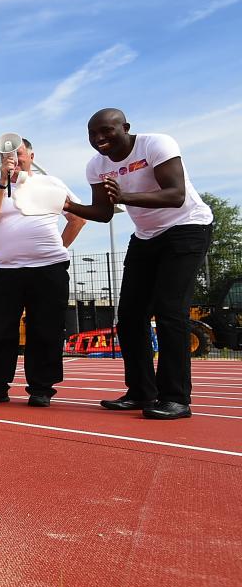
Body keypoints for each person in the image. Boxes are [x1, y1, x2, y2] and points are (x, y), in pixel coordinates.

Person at [64, 109, 213, 419]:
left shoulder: (156, 145)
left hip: (187, 227)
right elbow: (104, 213)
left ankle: (175, 398)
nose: (99, 139)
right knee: (130, 316)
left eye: (106, 131)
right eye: (92, 135)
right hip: (147, 236)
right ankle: (142, 392)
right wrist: (67, 205)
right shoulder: (97, 166)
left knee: (170, 310)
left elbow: (175, 195)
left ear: (126, 127)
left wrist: (126, 196)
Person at [0, 138, 85, 407]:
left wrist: (58, 247)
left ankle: (41, 388)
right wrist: (3, 181)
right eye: (8, 156)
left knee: (46, 329)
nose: (14, 160)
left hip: (48, 269)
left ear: (32, 155)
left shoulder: (52, 183)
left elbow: (78, 217)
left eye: (19, 154)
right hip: (6, 270)